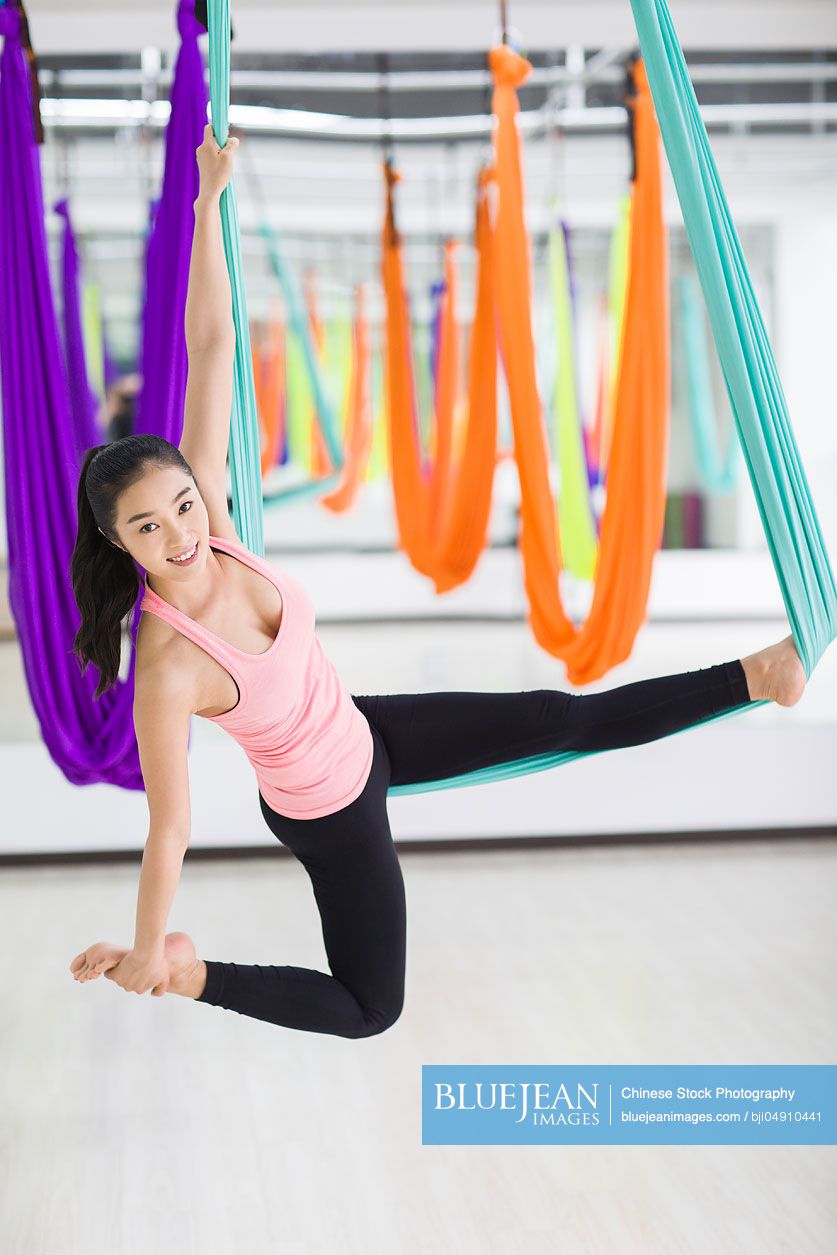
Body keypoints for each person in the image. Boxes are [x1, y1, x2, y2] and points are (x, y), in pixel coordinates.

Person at [67, 123, 807, 1038]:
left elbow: (212, 344)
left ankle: (758, 673)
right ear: (117, 540)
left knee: (562, 717)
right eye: (149, 525)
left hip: (362, 727)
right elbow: (169, 827)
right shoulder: (170, 663)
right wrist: (148, 949)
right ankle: (196, 976)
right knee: (371, 1006)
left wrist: (208, 205)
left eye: (180, 502)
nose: (179, 531)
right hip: (326, 807)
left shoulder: (213, 518)